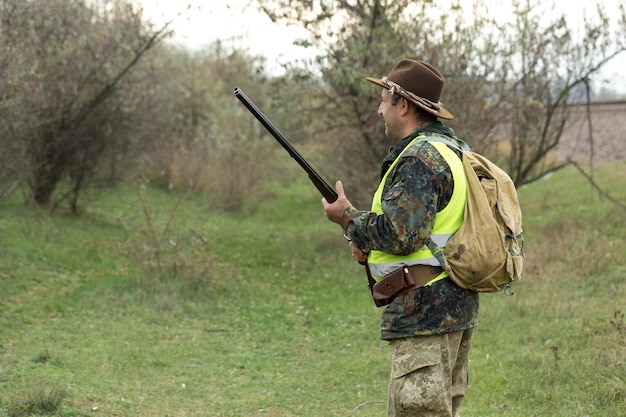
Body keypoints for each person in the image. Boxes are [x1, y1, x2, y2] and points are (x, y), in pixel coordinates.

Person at [322, 59, 479, 417]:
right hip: (454, 309)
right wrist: (370, 247)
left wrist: (347, 219)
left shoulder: (419, 159)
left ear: (403, 104)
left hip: (425, 314)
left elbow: (402, 233)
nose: (379, 109)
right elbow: (431, 232)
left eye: (383, 99)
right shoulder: (454, 151)